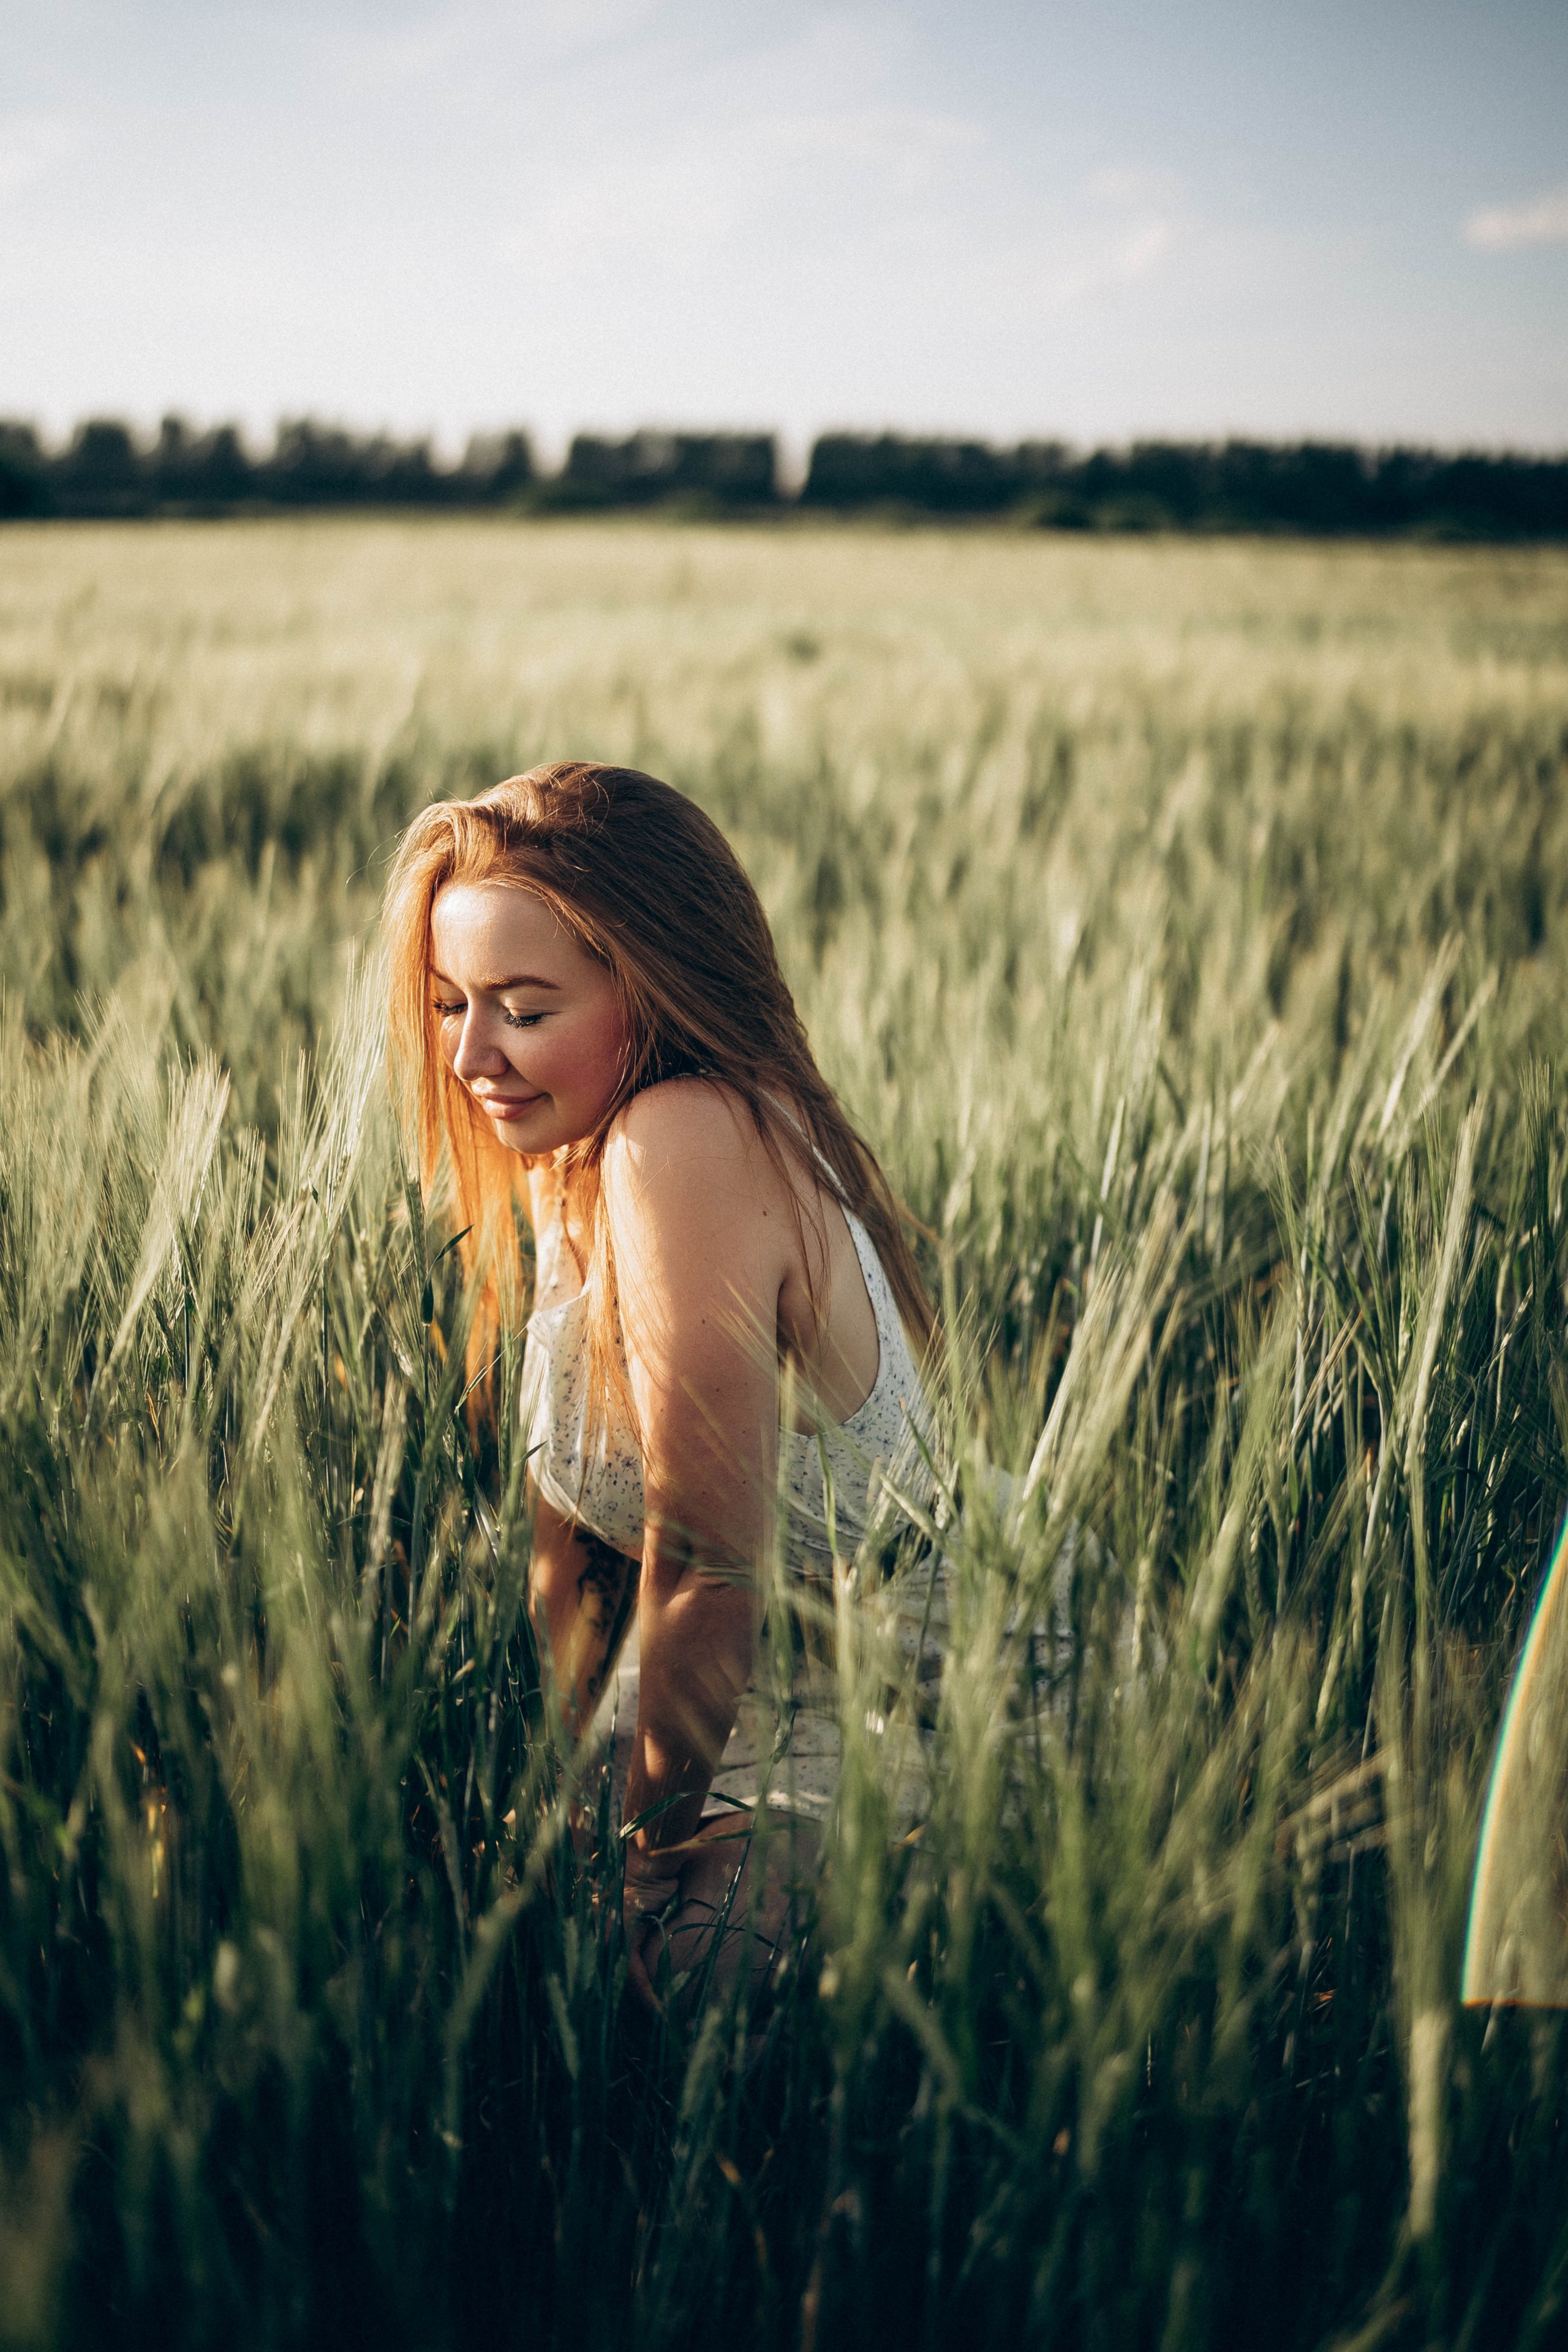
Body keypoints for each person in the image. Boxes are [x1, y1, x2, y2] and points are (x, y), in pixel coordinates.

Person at [383, 762, 935, 1999]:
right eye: (445, 1003)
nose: (473, 1053)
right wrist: (576, 1793)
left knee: (659, 1983)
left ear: (653, 987)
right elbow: (570, 1539)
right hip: (705, 1692)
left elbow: (706, 1557)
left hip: (889, 1696)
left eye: (523, 1007)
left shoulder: (678, 1136)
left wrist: (643, 1857)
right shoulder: (570, 1142)